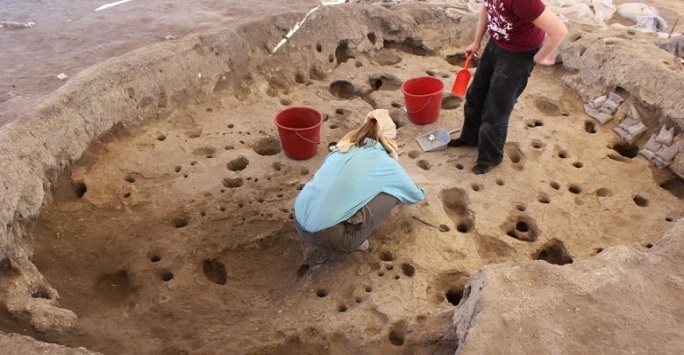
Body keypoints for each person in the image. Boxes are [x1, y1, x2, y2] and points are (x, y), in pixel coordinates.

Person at [448, 0, 568, 174]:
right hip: (496, 43)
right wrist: (476, 41)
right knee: (475, 96)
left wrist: (540, 58)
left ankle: (491, 157)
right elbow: (487, 7)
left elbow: (558, 31)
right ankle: (470, 138)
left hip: (518, 55)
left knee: (496, 109)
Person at [294, 108, 425, 261]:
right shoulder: (386, 163)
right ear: (389, 139)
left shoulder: (342, 148)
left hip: (298, 220)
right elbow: (416, 195)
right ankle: (354, 235)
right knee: (393, 193)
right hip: (329, 238)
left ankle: (345, 220)